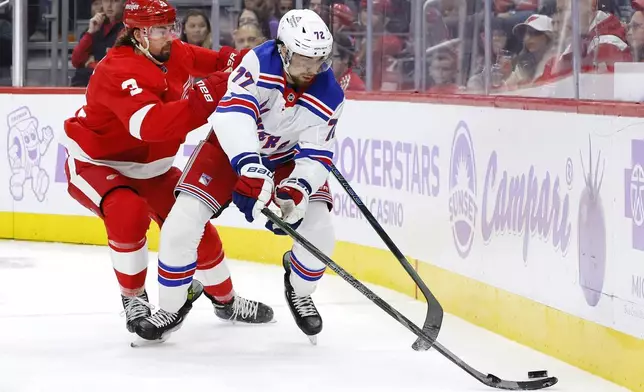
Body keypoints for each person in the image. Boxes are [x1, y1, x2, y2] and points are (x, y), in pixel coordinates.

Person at [61, 0, 273, 339]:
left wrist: (262, 59)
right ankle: (133, 298)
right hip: (97, 163)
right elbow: (153, 126)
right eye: (161, 30)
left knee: (191, 225)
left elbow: (221, 61)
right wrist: (208, 94)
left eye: (171, 27)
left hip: (152, 169)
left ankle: (226, 300)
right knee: (127, 211)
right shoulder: (117, 70)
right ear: (136, 34)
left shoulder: (173, 51)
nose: (170, 36)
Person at [136, 9, 344, 345]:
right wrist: (250, 168)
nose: (312, 69)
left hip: (286, 158)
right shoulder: (258, 63)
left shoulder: (329, 91)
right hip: (230, 149)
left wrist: (298, 189)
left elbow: (318, 152)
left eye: (319, 61)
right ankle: (172, 307)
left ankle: (300, 287)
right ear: (284, 51)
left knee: (320, 230)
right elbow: (234, 115)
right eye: (305, 59)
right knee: (181, 224)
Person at [71, 0, 126, 87]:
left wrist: (90, 64)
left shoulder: (128, 30)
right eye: (106, 1)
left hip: (114, 86)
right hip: (86, 85)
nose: (109, 5)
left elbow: (119, 66)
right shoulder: (94, 28)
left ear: (124, 3)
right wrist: (90, 33)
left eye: (115, 1)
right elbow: (76, 61)